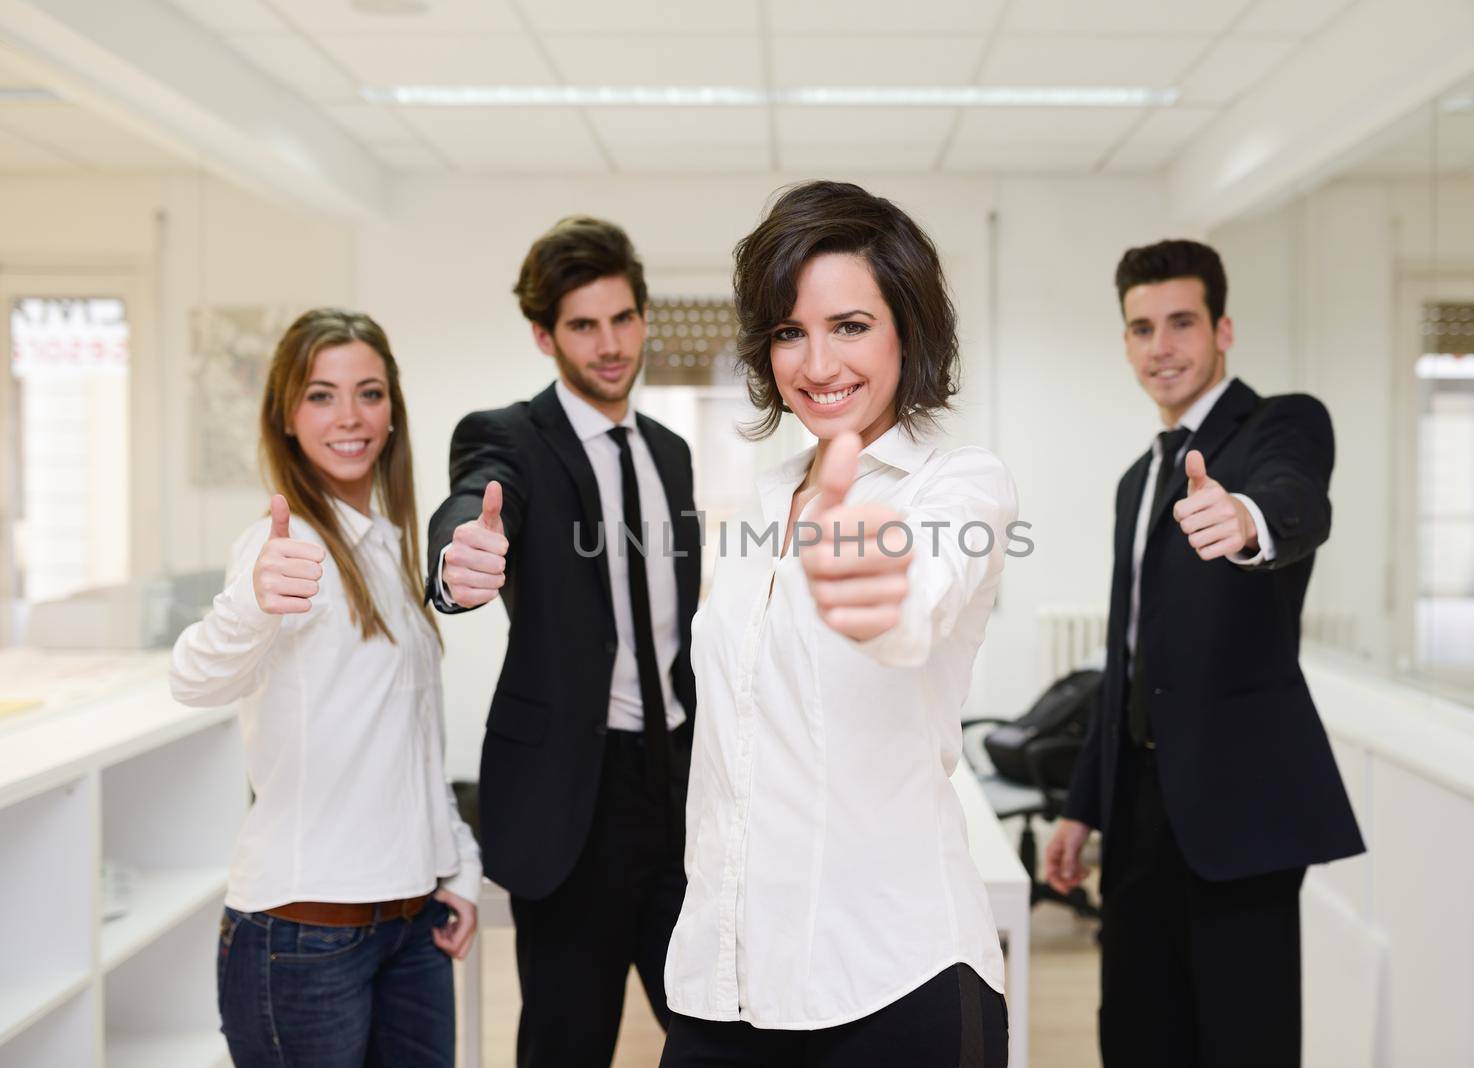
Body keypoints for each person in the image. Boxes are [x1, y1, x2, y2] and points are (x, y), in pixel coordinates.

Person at [660, 180, 1013, 1067]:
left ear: (909, 329)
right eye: (789, 332)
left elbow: (916, 604)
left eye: (850, 326)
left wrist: (879, 600)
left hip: (892, 978)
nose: (817, 365)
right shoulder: (763, 497)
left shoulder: (958, 484)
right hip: (724, 981)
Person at [1044, 239, 1365, 1067]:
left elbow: (1296, 491)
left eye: (1181, 322)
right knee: (1138, 1035)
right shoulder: (1134, 482)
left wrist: (1251, 520)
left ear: (1223, 329)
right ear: (1124, 343)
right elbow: (1125, 662)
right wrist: (1083, 804)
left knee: (1241, 1043)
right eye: (1141, 328)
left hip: (1239, 811)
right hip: (1138, 812)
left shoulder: (1280, 422)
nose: (1162, 347)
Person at [170, 308, 480, 1068]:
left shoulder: (390, 549)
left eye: (369, 393)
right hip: (302, 935)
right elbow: (193, 678)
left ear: (392, 410)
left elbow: (408, 742)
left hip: (409, 926)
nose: (349, 417)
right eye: (321, 395)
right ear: (286, 414)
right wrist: (251, 602)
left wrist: (457, 865)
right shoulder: (280, 549)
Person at [427, 215, 700, 1067]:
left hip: (683, 782)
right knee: (566, 1045)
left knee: (717, 1029)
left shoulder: (672, 454)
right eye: (584, 325)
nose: (611, 344)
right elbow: (474, 498)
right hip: (576, 803)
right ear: (545, 335)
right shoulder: (509, 436)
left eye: (623, 319)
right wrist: (459, 555)